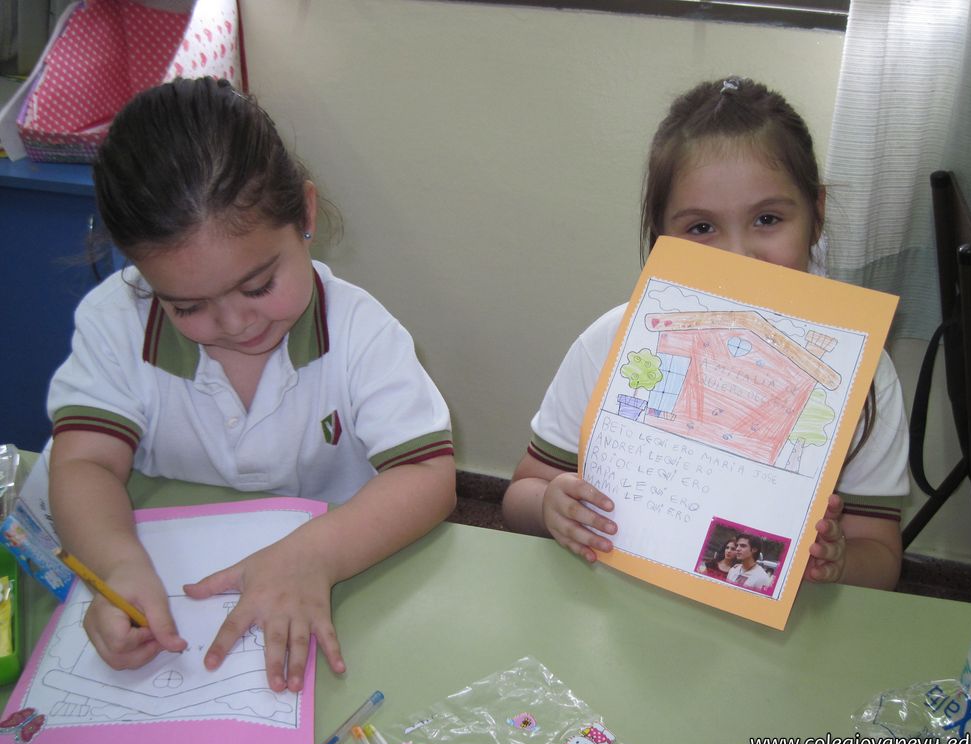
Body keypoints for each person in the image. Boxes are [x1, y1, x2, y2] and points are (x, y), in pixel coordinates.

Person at [45, 77, 456, 693]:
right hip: (182, 596)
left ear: (306, 215)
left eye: (259, 286)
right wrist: (116, 564)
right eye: (187, 307)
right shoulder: (117, 320)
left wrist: (313, 554)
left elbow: (429, 477)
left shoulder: (361, 333)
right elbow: (84, 463)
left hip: (346, 582)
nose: (235, 324)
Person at [502, 76, 908, 591]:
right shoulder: (612, 343)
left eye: (767, 218)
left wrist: (841, 564)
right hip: (620, 601)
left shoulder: (863, 373)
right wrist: (550, 505)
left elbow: (882, 556)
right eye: (701, 228)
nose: (739, 257)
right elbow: (519, 496)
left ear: (817, 214)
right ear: (662, 236)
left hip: (772, 624)